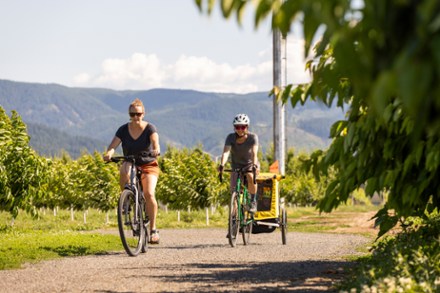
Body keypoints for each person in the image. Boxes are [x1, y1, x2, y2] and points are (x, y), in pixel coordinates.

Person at [103, 98, 161, 244]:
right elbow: (113, 145)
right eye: (132, 114)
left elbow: (155, 142)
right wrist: (109, 153)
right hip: (131, 160)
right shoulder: (123, 129)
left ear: (143, 114)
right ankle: (127, 198)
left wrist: (156, 150)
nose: (136, 117)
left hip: (148, 163)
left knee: (149, 194)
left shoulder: (150, 128)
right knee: (124, 170)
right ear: (129, 114)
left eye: (138, 114)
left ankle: (153, 229)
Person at [218, 113, 260, 213]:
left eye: (243, 127)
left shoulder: (253, 137)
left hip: (250, 164)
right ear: (234, 128)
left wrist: (254, 166)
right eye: (237, 127)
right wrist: (222, 165)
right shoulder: (230, 137)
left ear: (247, 127)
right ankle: (234, 217)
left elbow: (254, 153)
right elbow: (226, 152)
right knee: (234, 190)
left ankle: (253, 202)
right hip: (236, 165)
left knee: (250, 176)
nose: (240, 129)